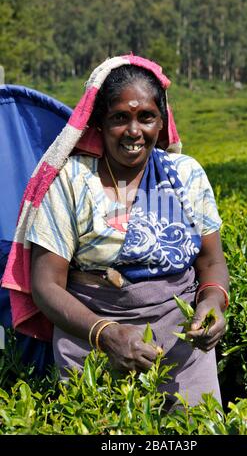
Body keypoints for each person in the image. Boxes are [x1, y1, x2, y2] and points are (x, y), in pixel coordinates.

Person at [2, 54, 229, 408]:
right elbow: (46, 285)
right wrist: (106, 335)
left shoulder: (186, 175)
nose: (134, 131)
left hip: (184, 348)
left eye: (146, 117)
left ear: (161, 121)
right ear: (99, 122)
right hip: (92, 346)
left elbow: (212, 262)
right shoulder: (73, 182)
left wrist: (213, 302)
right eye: (120, 117)